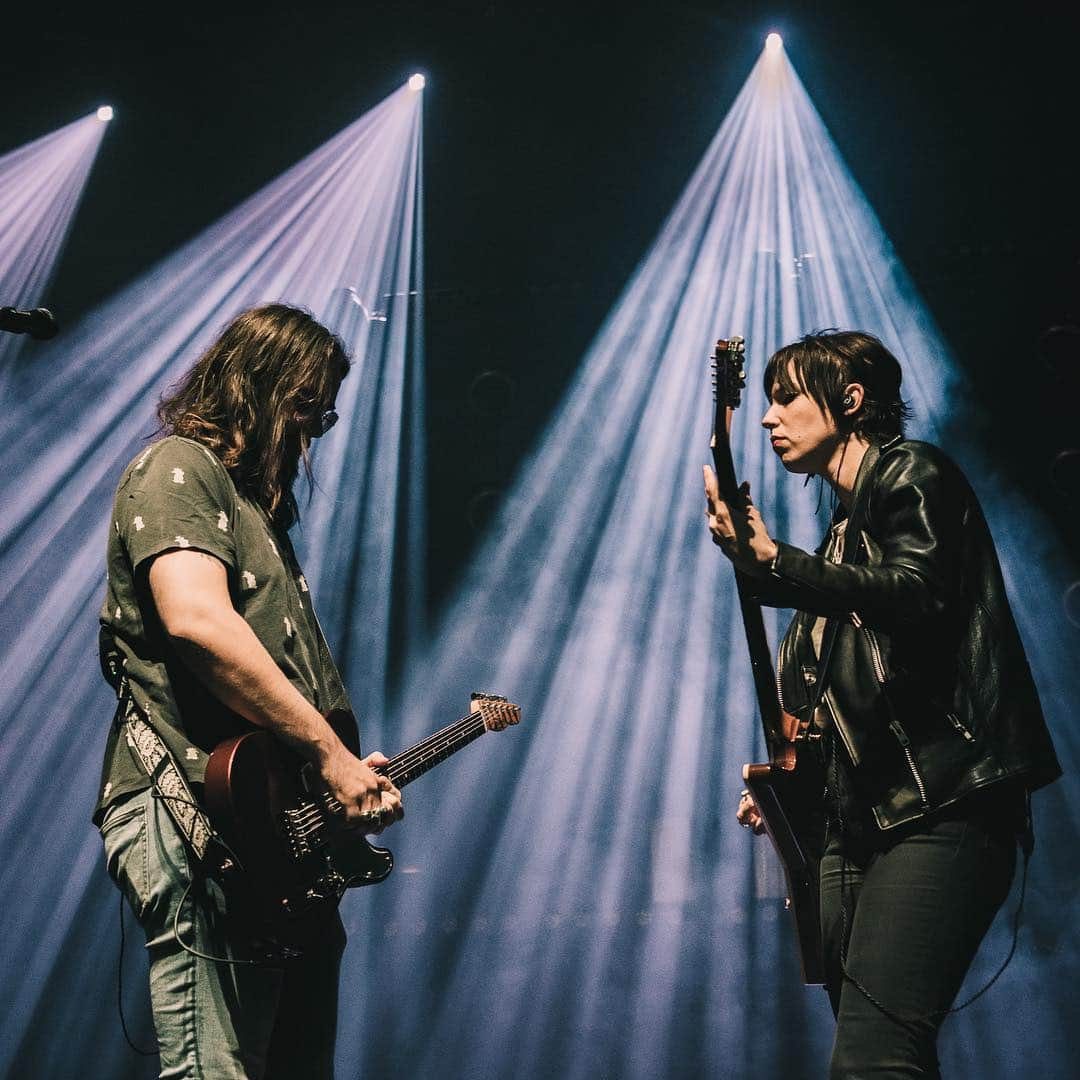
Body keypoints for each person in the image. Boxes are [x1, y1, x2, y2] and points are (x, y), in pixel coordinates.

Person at [702, 330, 1061, 1078]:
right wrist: (786, 776)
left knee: (871, 1062)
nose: (769, 419)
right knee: (887, 1055)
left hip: (942, 808)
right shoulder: (836, 538)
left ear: (851, 400)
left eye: (787, 397)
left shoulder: (914, 475)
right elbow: (817, 693)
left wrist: (777, 562)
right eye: (764, 402)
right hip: (858, 823)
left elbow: (916, 595)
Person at [95, 304, 403, 1079]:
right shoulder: (179, 468)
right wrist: (329, 753)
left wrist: (324, 775)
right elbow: (196, 621)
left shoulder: (255, 513)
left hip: (268, 838)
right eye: (306, 405)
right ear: (253, 386)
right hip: (197, 819)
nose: (317, 431)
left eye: (326, 412)